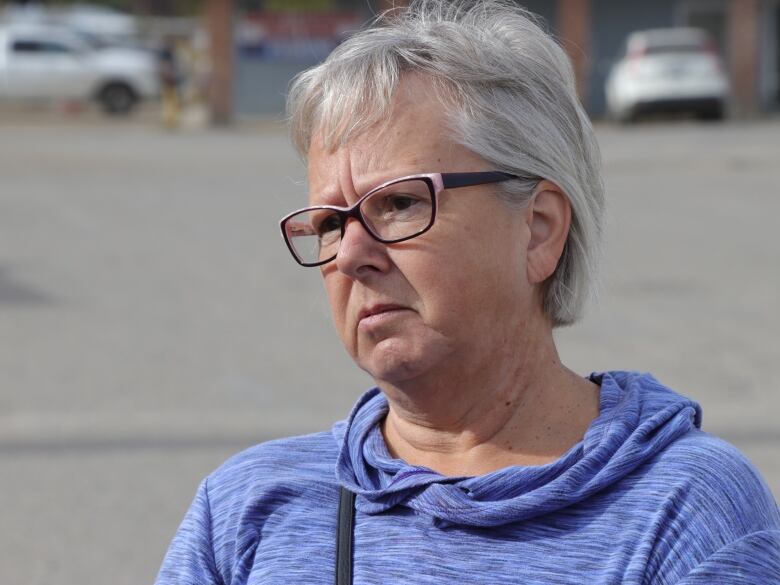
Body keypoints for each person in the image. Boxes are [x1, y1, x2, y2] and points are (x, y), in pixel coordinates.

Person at [156, 1, 780, 583]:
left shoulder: (687, 515)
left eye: (398, 203)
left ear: (539, 231)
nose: (349, 255)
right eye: (328, 223)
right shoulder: (245, 514)